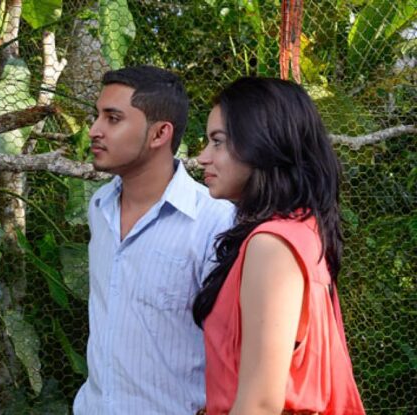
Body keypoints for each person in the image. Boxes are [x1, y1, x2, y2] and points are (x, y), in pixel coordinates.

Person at [193, 77, 365, 414]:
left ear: (263, 143)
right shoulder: (302, 231)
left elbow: (260, 403)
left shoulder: (272, 244)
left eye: (218, 142)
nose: (202, 157)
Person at [71, 66, 235, 414]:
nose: (94, 130)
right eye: (97, 115)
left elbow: (236, 348)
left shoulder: (214, 221)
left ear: (160, 133)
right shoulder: (99, 207)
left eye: (113, 118)